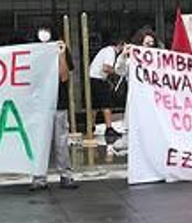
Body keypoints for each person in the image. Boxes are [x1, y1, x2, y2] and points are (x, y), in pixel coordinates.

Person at [30, 26, 78, 191]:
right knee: (39, 142)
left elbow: (64, 77)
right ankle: (39, 177)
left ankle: (66, 175)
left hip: (59, 103)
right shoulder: (34, 52)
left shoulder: (61, 50)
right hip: (39, 105)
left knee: (61, 141)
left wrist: (61, 54)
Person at [89, 35, 124, 141]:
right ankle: (109, 128)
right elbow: (106, 68)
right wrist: (118, 72)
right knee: (106, 103)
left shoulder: (105, 50)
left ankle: (91, 126)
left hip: (93, 77)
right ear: (120, 45)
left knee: (95, 105)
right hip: (98, 79)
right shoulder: (111, 51)